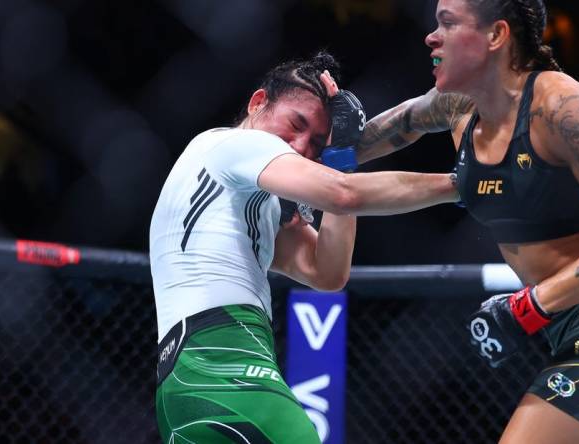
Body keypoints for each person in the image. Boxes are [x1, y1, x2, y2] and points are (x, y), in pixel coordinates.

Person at [354, 1, 579, 443]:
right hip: (565, 327)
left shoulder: (563, 106)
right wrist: (305, 144)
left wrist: (529, 306)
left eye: (447, 23)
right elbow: (373, 136)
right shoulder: (457, 108)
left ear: (496, 35)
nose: (431, 36)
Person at [149, 52, 458, 444]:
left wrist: (341, 158)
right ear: (258, 103)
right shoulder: (233, 145)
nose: (299, 148)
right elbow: (343, 196)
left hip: (185, 382)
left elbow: (327, 273)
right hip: (224, 362)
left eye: (316, 143)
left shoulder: (243, 205)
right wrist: (461, 184)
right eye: (296, 125)